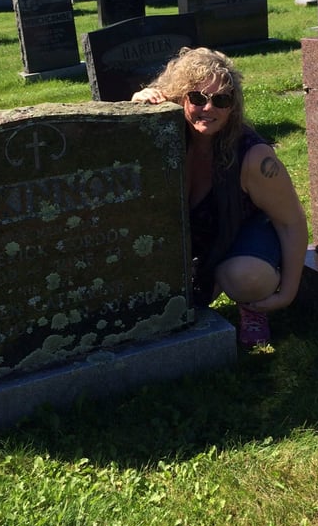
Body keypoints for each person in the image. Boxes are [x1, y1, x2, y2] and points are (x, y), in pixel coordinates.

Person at [131, 47, 307, 347]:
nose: (208, 108)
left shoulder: (254, 158)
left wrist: (288, 292)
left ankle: (251, 305)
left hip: (247, 229)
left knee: (244, 277)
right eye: (198, 98)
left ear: (233, 107)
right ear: (180, 96)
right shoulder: (167, 134)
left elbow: (291, 223)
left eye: (221, 100)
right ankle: (211, 277)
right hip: (203, 234)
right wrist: (138, 102)